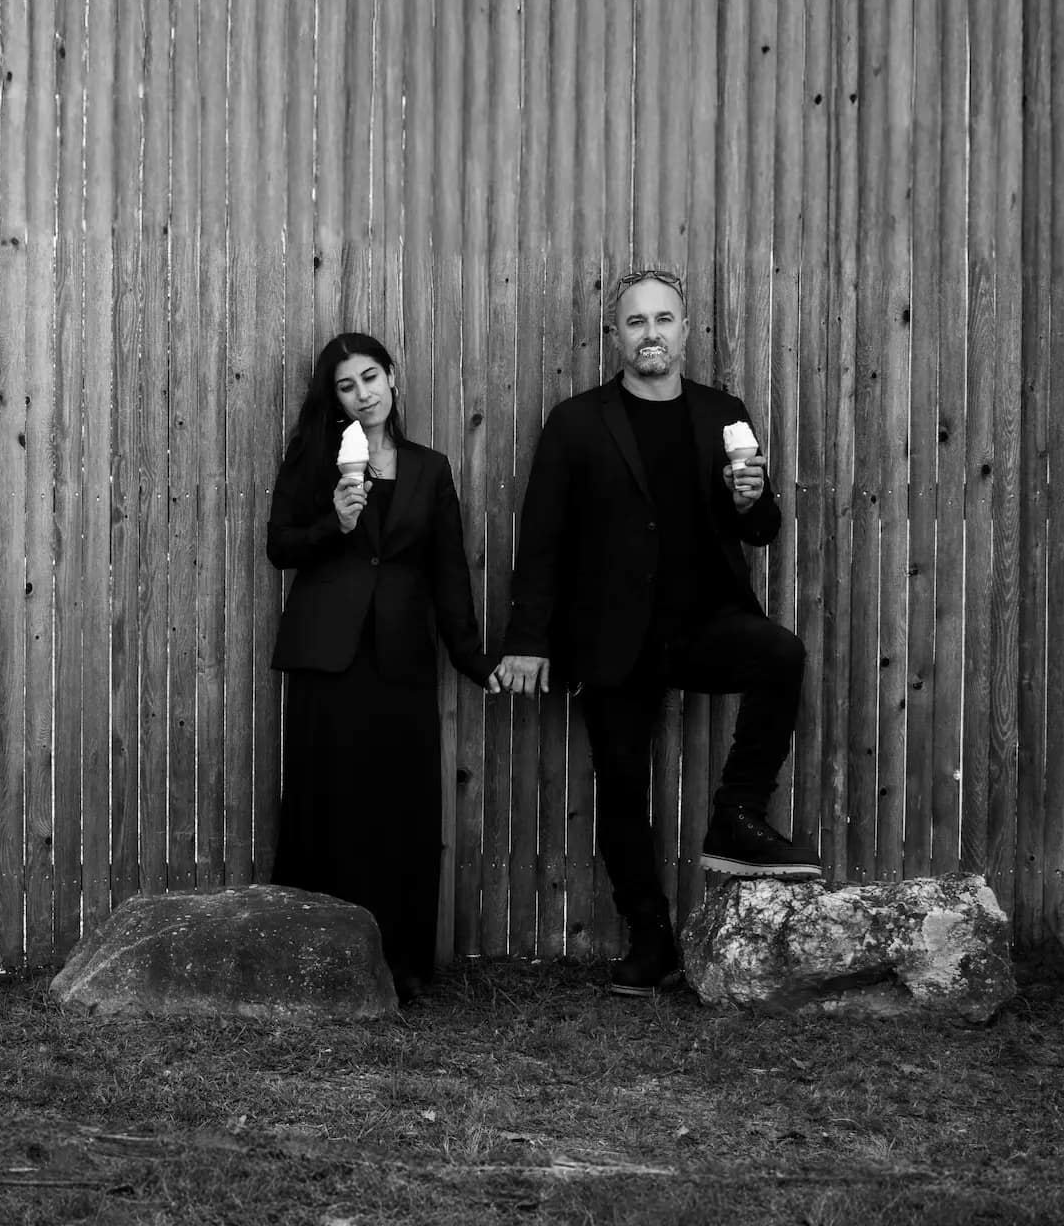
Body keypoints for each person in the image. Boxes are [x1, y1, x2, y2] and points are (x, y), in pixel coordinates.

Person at [493, 267, 819, 1000]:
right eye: (636, 321)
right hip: (612, 634)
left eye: (663, 320)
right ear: (617, 334)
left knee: (781, 654)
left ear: (685, 329)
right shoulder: (577, 421)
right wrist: (528, 638)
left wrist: (751, 496)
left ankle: (737, 814)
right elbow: (541, 538)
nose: (650, 334)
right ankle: (650, 938)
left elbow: (760, 528)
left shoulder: (721, 412)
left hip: (702, 625)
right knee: (622, 786)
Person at [267, 332, 502, 1003]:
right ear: (334, 397)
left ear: (393, 379)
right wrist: (333, 525)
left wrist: (473, 657)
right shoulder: (316, 460)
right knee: (328, 807)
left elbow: (449, 574)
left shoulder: (430, 469)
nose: (363, 393)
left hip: (401, 659)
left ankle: (401, 964)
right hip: (328, 658)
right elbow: (279, 546)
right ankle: (312, 963)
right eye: (347, 385)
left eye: (371, 377)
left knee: (399, 812)